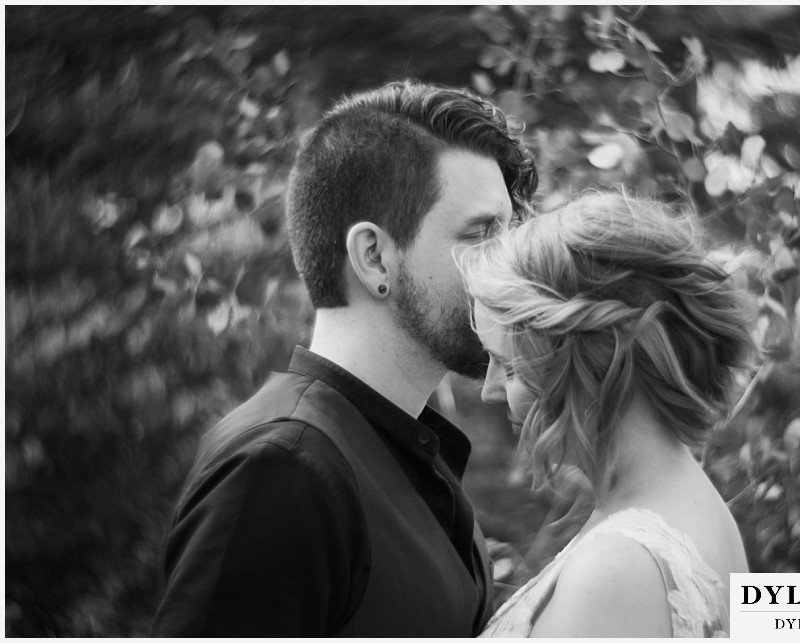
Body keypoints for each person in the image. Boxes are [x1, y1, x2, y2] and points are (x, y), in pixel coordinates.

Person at [151, 80, 537, 637]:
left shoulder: (409, 450)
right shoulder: (281, 470)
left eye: (510, 232)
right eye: (481, 236)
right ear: (375, 257)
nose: (511, 266)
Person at [458, 191, 755, 637]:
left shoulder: (619, 567)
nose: (490, 392)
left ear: (598, 360)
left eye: (513, 366)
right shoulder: (695, 508)